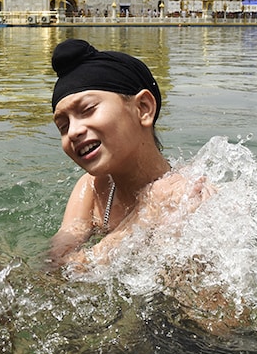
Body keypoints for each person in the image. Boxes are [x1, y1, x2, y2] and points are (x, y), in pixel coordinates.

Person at [47, 38, 211, 268]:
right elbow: (54, 268)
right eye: (63, 126)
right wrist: (142, 218)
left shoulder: (193, 196)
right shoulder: (92, 189)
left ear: (143, 108)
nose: (73, 132)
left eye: (87, 110)